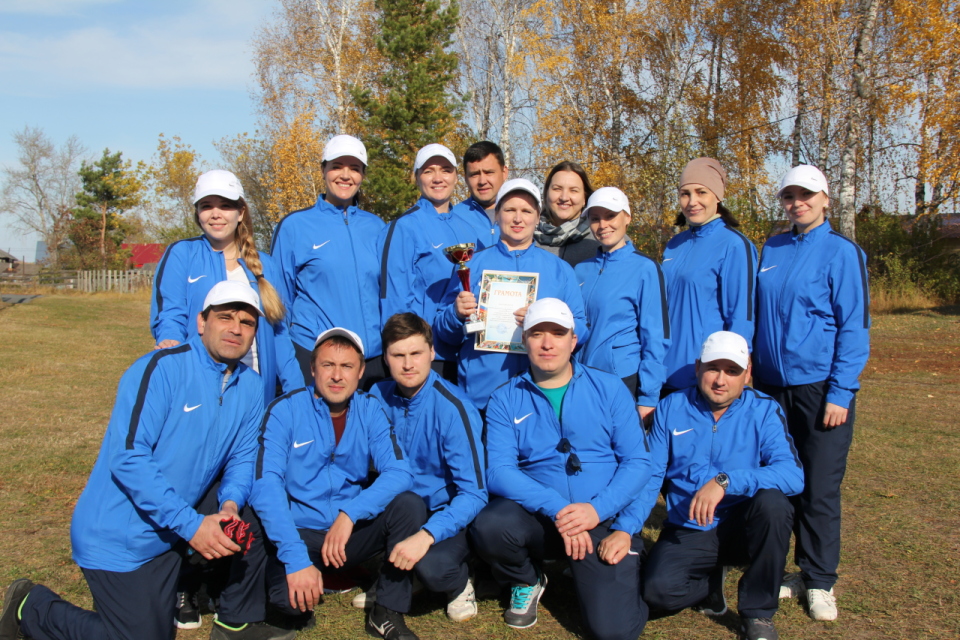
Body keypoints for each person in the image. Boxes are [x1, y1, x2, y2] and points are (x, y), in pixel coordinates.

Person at [1, 281, 293, 640]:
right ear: (201, 322)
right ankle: (32, 607)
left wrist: (230, 504)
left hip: (167, 536)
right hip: (116, 536)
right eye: (225, 317)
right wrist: (191, 525)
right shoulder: (159, 369)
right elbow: (128, 457)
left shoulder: (250, 386)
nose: (236, 328)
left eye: (247, 322)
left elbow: (243, 457)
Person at [214, 327, 424, 640]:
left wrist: (350, 513)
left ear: (360, 371)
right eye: (328, 365)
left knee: (409, 505)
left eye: (347, 367)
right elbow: (266, 483)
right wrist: (296, 557)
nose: (337, 376)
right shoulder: (284, 410)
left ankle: (387, 611)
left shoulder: (370, 408)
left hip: (348, 532)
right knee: (290, 604)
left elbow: (399, 470)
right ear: (312, 368)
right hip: (302, 533)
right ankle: (243, 612)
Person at [468, 298, 654, 638]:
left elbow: (638, 462)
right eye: (537, 333)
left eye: (558, 333)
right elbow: (498, 470)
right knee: (490, 526)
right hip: (542, 517)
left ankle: (619, 569)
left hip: (601, 517)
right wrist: (559, 509)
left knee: (611, 631)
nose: (548, 343)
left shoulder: (610, 388)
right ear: (524, 341)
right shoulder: (505, 397)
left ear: (574, 340)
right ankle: (527, 578)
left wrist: (596, 511)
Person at [624, 331, 803, 640]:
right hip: (689, 525)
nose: (721, 379)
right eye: (713, 368)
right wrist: (628, 529)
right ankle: (709, 580)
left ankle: (758, 613)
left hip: (742, 526)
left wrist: (726, 481)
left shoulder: (764, 409)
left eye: (732, 371)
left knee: (774, 505)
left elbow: (792, 475)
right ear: (697, 368)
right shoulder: (671, 407)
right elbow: (651, 474)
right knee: (657, 593)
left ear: (747, 375)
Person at [752, 165, 870, 622]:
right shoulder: (773, 247)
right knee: (780, 481)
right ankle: (781, 569)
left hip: (820, 387)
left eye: (806, 195)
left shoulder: (843, 253)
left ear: (824, 200)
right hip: (770, 388)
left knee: (819, 486)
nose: (797, 202)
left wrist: (841, 390)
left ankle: (819, 578)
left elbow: (854, 327)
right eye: (789, 195)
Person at [369, 313, 487, 622]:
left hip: (444, 515)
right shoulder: (376, 397)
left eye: (416, 353)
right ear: (385, 358)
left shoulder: (453, 408)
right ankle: (394, 576)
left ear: (432, 353)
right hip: (399, 509)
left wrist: (427, 535)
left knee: (433, 567)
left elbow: (474, 494)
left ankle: (461, 578)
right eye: (398, 355)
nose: (408, 364)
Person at [433, 179, 588, 410]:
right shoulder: (471, 265)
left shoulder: (559, 269)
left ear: (537, 217)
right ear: (497, 215)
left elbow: (581, 330)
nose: (518, 218)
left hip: (540, 392)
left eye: (526, 211)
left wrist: (544, 320)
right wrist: (456, 314)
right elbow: (443, 331)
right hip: (482, 394)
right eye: (509, 210)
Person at [151, 169, 300, 404]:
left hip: (256, 393)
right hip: (198, 388)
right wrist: (170, 339)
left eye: (225, 206)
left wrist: (297, 393)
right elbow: (170, 313)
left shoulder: (266, 266)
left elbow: (280, 336)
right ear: (198, 213)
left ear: (240, 213)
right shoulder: (182, 254)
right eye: (206, 206)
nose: (216, 214)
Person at [270, 134, 386, 389]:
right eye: (336, 167)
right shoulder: (295, 227)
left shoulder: (377, 227)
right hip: (317, 358)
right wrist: (286, 366)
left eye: (354, 169)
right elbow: (278, 304)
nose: (345, 175)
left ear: (362, 175)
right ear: (323, 170)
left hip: (372, 360)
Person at [378, 143, 484, 381]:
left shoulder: (468, 229)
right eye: (428, 171)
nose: (438, 178)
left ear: (456, 177)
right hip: (425, 358)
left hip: (465, 354)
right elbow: (394, 300)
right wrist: (407, 355)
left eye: (445, 170)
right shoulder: (403, 227)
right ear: (416, 177)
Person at [575, 187, 670, 426]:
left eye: (610, 216)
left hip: (622, 379)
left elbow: (655, 336)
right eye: (595, 218)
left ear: (627, 217)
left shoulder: (645, 269)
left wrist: (648, 396)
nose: (602, 224)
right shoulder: (580, 269)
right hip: (581, 377)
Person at [661, 157, 757, 394]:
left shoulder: (734, 245)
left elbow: (741, 315)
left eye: (701, 192)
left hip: (704, 376)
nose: (692, 201)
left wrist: (734, 368)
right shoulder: (674, 245)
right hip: (664, 371)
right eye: (685, 193)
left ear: (718, 196)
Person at [533, 161, 599, 267]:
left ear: (585, 198)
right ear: (546, 194)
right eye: (557, 189)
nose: (564, 197)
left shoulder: (602, 237)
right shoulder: (526, 236)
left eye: (573, 190)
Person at [457, 140, 508, 248]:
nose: (482, 181)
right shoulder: (453, 218)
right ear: (465, 178)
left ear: (504, 173)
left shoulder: (523, 216)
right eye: (474, 174)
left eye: (489, 172)